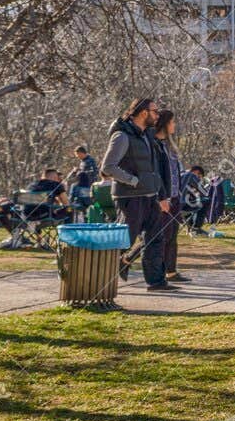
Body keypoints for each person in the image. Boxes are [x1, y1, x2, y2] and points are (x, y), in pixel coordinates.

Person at [102, 98, 170, 291]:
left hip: (150, 195)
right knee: (125, 240)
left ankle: (156, 281)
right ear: (143, 113)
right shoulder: (122, 136)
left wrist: (162, 195)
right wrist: (132, 180)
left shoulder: (147, 135)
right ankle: (103, 280)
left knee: (155, 239)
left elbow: (154, 169)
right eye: (155, 111)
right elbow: (107, 167)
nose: (158, 115)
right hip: (129, 198)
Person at [153, 109, 190, 284]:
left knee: (172, 235)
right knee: (161, 236)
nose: (174, 125)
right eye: (172, 122)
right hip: (162, 198)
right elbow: (157, 174)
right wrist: (162, 197)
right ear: (164, 124)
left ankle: (171, 271)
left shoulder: (169, 146)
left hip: (175, 197)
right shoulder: (154, 144)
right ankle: (130, 259)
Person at [71, 144, 98, 208]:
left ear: (81, 153)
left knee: (74, 187)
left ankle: (72, 202)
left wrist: (80, 172)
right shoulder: (82, 161)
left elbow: (94, 172)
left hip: (88, 184)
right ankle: (73, 202)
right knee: (73, 186)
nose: (77, 156)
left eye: (77, 154)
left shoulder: (90, 160)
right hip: (82, 183)